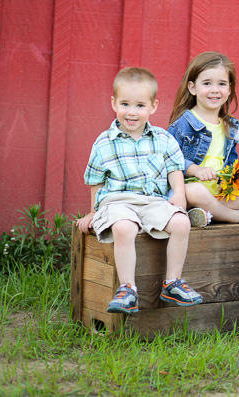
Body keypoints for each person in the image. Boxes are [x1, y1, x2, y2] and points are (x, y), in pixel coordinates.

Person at [77, 67, 202, 314]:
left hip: (152, 201)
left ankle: (173, 282)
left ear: (153, 107)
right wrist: (93, 212)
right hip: (118, 201)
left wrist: (178, 193)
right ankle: (127, 289)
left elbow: (175, 169)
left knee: (181, 223)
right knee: (125, 227)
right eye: (125, 104)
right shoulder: (104, 142)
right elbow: (96, 181)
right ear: (113, 103)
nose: (131, 112)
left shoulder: (163, 139)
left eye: (140, 106)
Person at [168, 51, 239, 226]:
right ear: (193, 88)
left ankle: (206, 213)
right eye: (207, 83)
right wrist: (195, 170)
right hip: (189, 190)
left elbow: (230, 162)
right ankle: (237, 216)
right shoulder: (183, 124)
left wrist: (227, 181)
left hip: (217, 192)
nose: (215, 90)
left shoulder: (231, 127)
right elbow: (168, 160)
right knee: (196, 191)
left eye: (222, 84)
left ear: (229, 89)